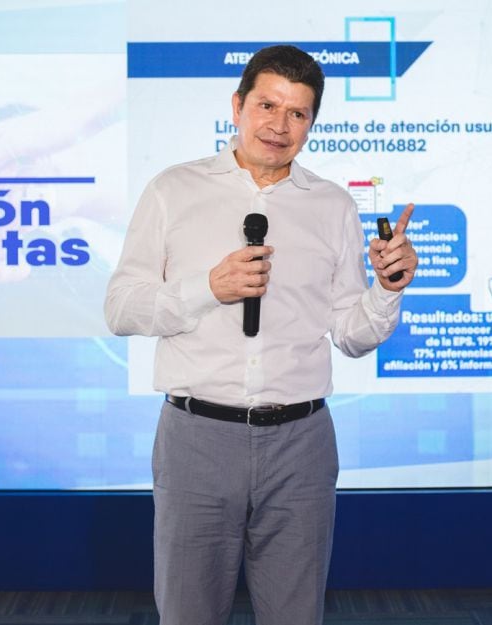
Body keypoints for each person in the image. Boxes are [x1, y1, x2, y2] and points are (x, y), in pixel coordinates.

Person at [104, 45, 417, 625]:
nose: (279, 125)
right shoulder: (173, 190)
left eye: (298, 113)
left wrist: (387, 287)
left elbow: (352, 335)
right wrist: (208, 287)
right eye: (267, 106)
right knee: (188, 614)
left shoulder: (331, 205)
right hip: (197, 438)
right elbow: (121, 308)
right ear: (237, 106)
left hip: (302, 443)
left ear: (312, 124)